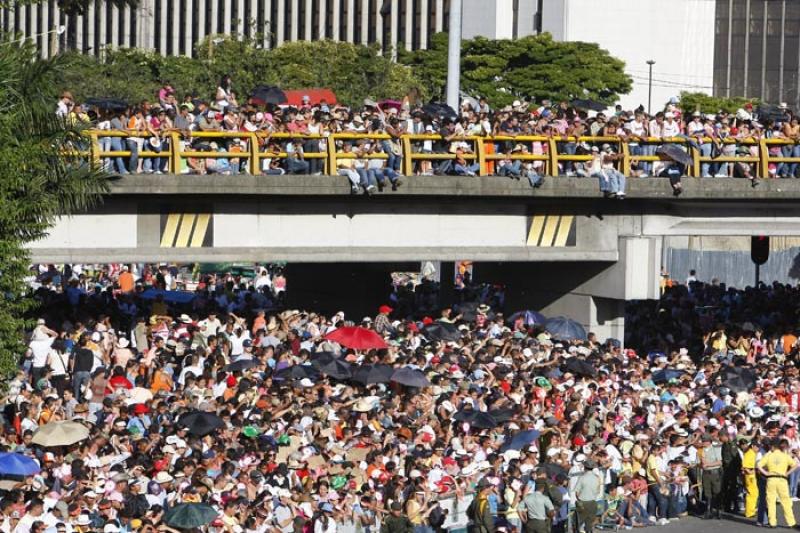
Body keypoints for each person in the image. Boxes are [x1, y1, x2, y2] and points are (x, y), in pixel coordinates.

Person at [758, 438, 797, 528]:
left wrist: (766, 473)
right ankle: (791, 522)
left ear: (773, 446)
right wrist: (787, 473)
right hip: (782, 480)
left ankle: (772, 523)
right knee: (786, 501)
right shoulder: (784, 455)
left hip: (771, 479)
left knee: (771, 502)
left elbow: (759, 465)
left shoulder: (769, 455)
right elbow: (796, 465)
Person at [574, 460, 603, 533]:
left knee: (578, 523)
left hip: (583, 502)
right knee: (589, 524)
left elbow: (577, 493)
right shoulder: (597, 478)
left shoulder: (582, 478)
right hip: (593, 502)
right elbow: (598, 491)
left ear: (584, 467)